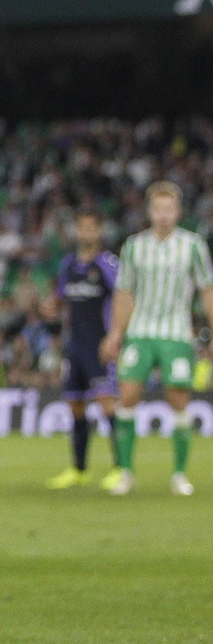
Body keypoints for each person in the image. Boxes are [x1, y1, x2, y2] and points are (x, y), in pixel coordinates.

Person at [101, 181, 213, 496]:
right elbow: (124, 293)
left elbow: (207, 290)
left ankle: (179, 474)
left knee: (178, 398)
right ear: (149, 211)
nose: (163, 215)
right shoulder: (134, 246)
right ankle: (125, 472)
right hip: (140, 331)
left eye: (169, 209)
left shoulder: (193, 246)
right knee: (129, 394)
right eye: (158, 209)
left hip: (177, 333)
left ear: (178, 212)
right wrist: (115, 332)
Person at [45, 213, 123, 490]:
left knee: (107, 403)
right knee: (75, 405)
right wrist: (53, 306)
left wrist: (115, 335)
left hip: (100, 343)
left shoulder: (107, 264)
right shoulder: (68, 265)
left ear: (99, 231)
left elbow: (123, 297)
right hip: (75, 344)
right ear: (76, 231)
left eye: (92, 228)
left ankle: (120, 468)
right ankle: (79, 469)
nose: (87, 233)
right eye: (82, 228)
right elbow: (62, 299)